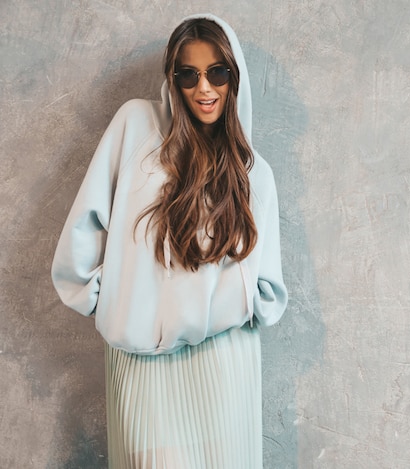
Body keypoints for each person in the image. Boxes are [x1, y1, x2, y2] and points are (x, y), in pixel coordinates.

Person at [51, 13, 288, 468]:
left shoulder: (254, 174)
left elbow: (267, 291)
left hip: (223, 366)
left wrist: (226, 303)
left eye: (217, 72)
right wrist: (118, 301)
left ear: (233, 77)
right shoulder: (136, 126)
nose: (204, 88)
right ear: (173, 79)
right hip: (143, 363)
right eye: (188, 74)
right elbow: (83, 230)